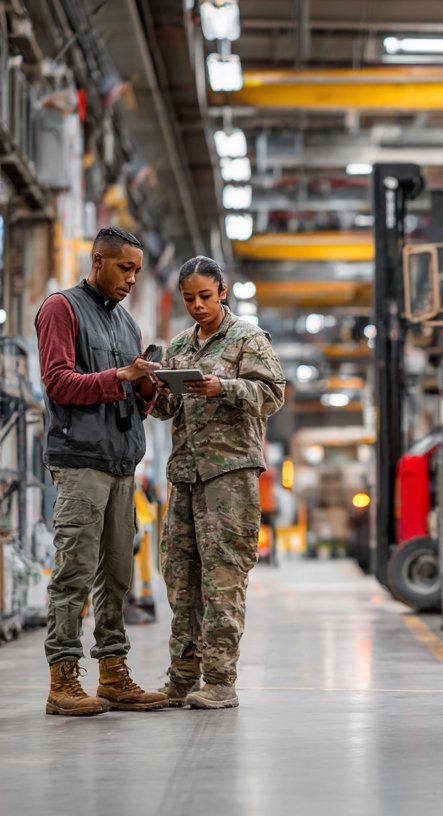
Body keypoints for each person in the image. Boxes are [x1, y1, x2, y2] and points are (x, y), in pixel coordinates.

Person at [35, 226, 169, 716]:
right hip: (81, 462)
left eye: (136, 270)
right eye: (125, 267)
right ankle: (63, 678)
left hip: (120, 462)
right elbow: (58, 382)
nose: (132, 278)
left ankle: (114, 673)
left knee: (116, 575)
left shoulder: (127, 324)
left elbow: (132, 398)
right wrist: (121, 377)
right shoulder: (61, 308)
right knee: (74, 573)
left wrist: (150, 389)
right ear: (98, 261)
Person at [152, 257, 285, 710]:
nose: (197, 306)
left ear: (222, 292)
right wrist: (151, 389)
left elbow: (272, 394)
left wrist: (224, 387)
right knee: (180, 576)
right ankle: (182, 678)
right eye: (189, 298)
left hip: (229, 475)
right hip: (185, 476)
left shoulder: (246, 338)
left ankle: (220, 680)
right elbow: (166, 409)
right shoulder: (179, 347)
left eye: (205, 296)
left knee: (223, 576)